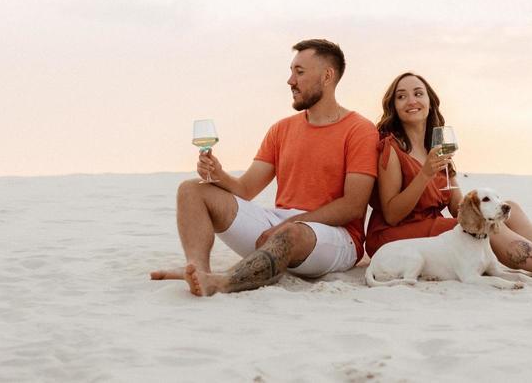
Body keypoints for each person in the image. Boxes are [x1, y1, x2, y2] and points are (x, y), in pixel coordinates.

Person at [150, 39, 379, 296]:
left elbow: (353, 206)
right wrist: (217, 174)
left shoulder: (359, 129)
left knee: (291, 233)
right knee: (192, 189)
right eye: (291, 71)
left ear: (327, 76)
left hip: (337, 236)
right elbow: (245, 189)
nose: (290, 81)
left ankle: (223, 282)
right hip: (280, 225)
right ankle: (198, 270)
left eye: (299, 72)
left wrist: (287, 225)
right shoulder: (282, 128)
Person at [367, 70, 532, 280]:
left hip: (432, 229)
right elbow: (391, 214)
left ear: (430, 101)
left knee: (510, 209)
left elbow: (457, 209)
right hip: (396, 237)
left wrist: (479, 204)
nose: (411, 100)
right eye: (402, 96)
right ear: (394, 106)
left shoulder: (437, 147)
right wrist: (425, 174)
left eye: (418, 93)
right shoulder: (392, 148)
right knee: (487, 225)